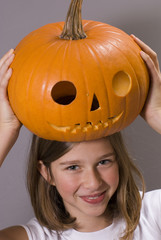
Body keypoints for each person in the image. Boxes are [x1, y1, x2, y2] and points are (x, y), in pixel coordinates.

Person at [0, 35, 161, 240]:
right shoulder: (36, 237)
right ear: (46, 172)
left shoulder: (152, 214)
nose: (93, 183)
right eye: (73, 167)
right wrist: (5, 131)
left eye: (104, 162)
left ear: (119, 160)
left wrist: (157, 113)